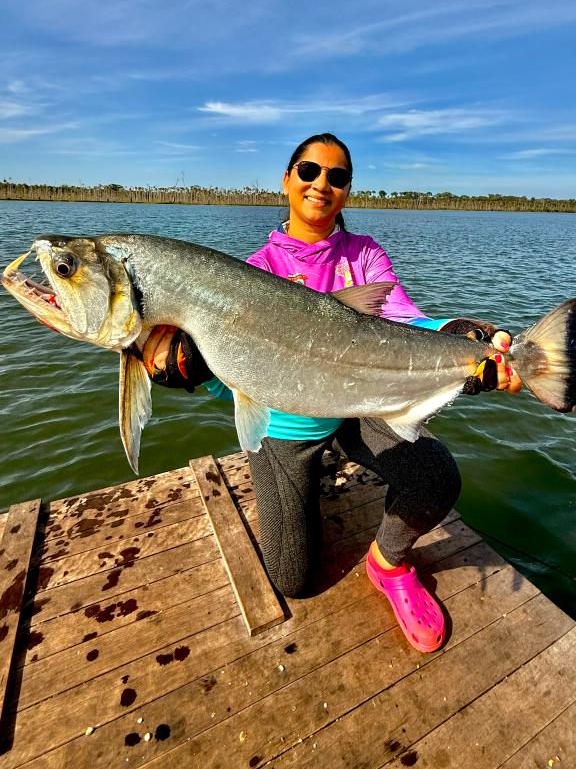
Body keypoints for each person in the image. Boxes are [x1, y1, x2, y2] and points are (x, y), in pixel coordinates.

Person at [142, 132, 521, 654]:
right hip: (286, 428)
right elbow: (232, 374)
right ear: (287, 179)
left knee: (435, 476)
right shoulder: (255, 272)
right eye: (309, 171)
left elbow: (408, 322)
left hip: (355, 409)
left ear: (346, 192)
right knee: (293, 578)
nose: (322, 183)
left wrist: (462, 336)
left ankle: (386, 565)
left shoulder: (364, 256)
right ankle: (300, 481)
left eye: (337, 176)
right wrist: (187, 371)